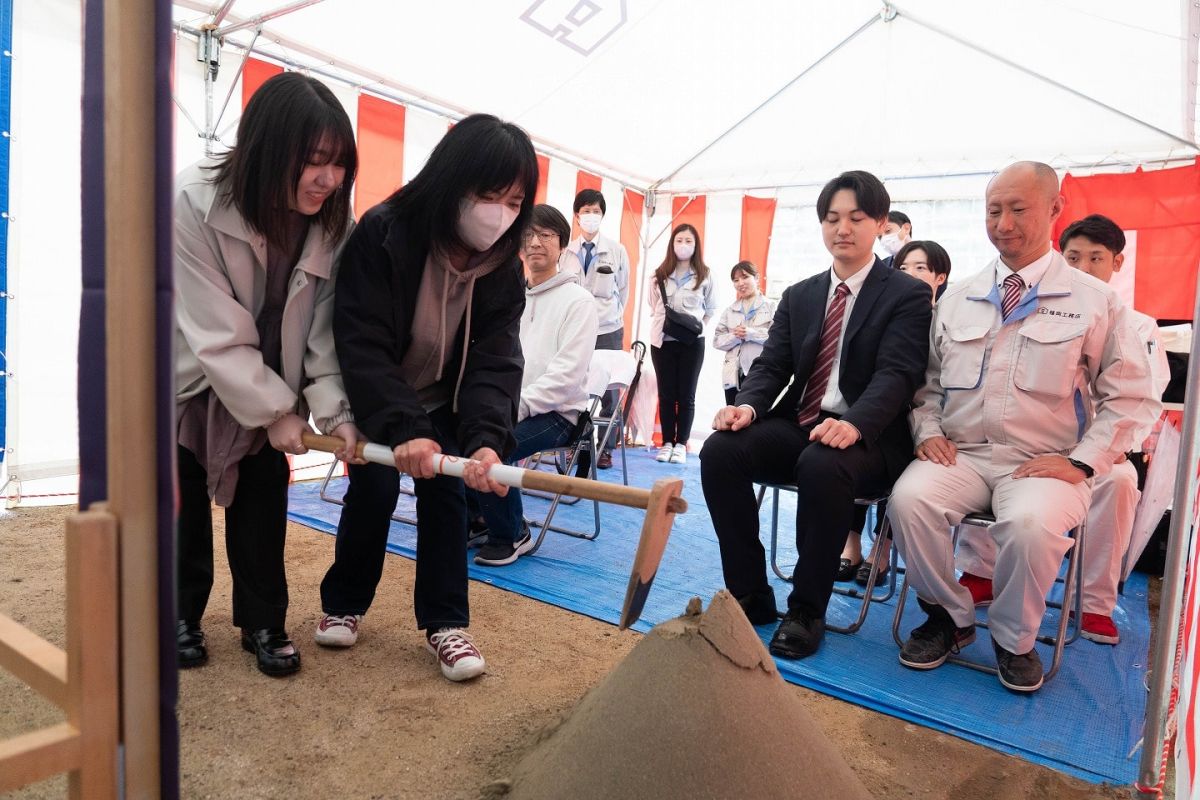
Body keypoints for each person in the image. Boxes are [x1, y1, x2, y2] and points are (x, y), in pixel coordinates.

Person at [887, 162, 1158, 693]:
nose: (1004, 222)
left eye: (1019, 209)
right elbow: (928, 385)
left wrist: (1082, 461)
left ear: (1055, 209)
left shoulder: (1096, 302)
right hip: (963, 454)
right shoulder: (959, 297)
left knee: (1031, 527)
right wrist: (927, 431)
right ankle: (951, 618)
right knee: (908, 502)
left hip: (1044, 464)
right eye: (994, 210)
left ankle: (1014, 642)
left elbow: (1129, 396)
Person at [314, 114, 537, 682]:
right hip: (381, 387)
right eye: (488, 196)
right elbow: (359, 340)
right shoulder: (386, 232)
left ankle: (446, 623)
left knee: (449, 496)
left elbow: (496, 361)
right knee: (374, 486)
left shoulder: (504, 272)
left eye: (514, 202)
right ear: (450, 181)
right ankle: (344, 601)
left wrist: (487, 441)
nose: (500, 214)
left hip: (448, 398)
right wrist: (402, 425)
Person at [173, 72, 362, 677]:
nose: (328, 179)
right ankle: (176, 614)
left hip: (270, 382)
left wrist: (335, 415)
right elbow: (214, 329)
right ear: (267, 150)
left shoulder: (333, 218)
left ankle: (263, 620)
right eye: (313, 161)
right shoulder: (192, 199)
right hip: (189, 376)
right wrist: (277, 411)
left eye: (338, 164)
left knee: (261, 497)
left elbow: (325, 331)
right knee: (179, 502)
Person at [699, 170, 932, 660]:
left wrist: (854, 423)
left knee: (822, 462)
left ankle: (806, 609)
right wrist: (745, 405)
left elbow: (898, 374)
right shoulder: (801, 294)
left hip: (867, 439)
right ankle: (749, 593)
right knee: (721, 451)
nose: (842, 228)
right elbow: (772, 365)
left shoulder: (905, 295)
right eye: (831, 218)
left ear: (881, 224)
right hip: (801, 424)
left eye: (856, 218)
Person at [955, 214, 1169, 645]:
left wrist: (1090, 457)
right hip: (1030, 442)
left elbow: (1139, 401)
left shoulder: (1138, 324)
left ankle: (1093, 602)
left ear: (1118, 262)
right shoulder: (1030, 306)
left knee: (1122, 484)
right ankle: (981, 572)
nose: (1084, 267)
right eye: (1074, 257)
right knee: (988, 455)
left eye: (1096, 258)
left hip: (1097, 453)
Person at [471, 204, 598, 566]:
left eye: (545, 235)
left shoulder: (579, 302)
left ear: (562, 245)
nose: (535, 242)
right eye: (527, 234)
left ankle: (512, 533)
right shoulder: (510, 296)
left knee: (496, 444)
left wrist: (513, 408)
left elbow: (566, 377)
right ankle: (477, 519)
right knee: (462, 431)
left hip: (559, 413)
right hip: (509, 404)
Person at [840, 238, 956, 586]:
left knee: (901, 463)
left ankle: (883, 547)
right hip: (882, 413)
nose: (910, 274)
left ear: (941, 277)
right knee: (853, 445)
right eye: (903, 268)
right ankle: (851, 543)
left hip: (928, 422)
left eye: (921, 268)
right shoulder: (886, 313)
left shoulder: (949, 320)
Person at [561, 189, 631, 470]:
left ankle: (605, 448)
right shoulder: (566, 250)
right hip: (575, 328)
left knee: (609, 392)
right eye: (586, 211)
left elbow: (623, 290)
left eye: (596, 211)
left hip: (608, 329)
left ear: (602, 216)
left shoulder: (617, 250)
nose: (591, 216)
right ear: (577, 216)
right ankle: (573, 444)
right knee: (574, 387)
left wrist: (609, 316)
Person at [647, 223, 716, 464]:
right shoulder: (659, 274)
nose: (683, 245)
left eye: (688, 241)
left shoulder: (705, 275)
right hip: (662, 341)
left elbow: (711, 309)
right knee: (666, 394)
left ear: (696, 245)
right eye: (679, 240)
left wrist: (693, 327)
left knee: (687, 395)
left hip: (692, 343)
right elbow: (652, 303)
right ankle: (666, 442)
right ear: (671, 244)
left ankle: (681, 444)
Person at [713, 261, 777, 407]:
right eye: (735, 280)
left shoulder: (772, 306)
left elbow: (776, 338)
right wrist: (734, 337)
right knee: (733, 416)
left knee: (756, 419)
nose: (740, 283)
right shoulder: (730, 311)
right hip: (734, 375)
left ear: (757, 278)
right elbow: (717, 341)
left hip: (760, 373)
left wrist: (751, 333)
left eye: (745, 277)